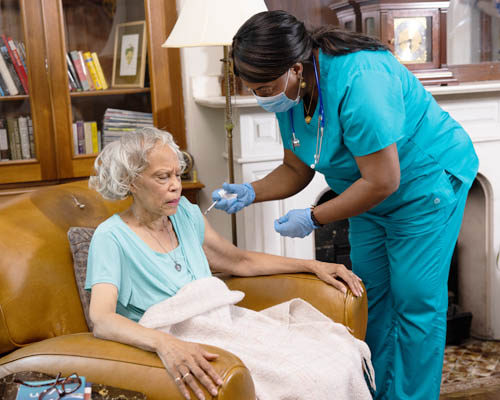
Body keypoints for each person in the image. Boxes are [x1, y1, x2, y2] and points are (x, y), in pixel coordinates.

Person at [211, 10, 479, 400]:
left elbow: (385, 179)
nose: (260, 96)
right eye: (253, 88)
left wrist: (314, 216)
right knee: (371, 299)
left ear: (296, 68)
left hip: (425, 184)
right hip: (366, 191)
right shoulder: (293, 93)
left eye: (265, 88)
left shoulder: (360, 81)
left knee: (416, 302)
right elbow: (296, 167)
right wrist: (252, 191)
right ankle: (374, 393)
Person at [85, 127, 365, 400]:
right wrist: (166, 344)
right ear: (130, 181)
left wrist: (311, 265)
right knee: (295, 378)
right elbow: (102, 320)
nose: (175, 185)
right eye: (162, 177)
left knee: (336, 355)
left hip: (221, 324)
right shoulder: (111, 237)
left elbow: (238, 260)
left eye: (177, 175)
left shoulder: (185, 213)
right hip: (173, 335)